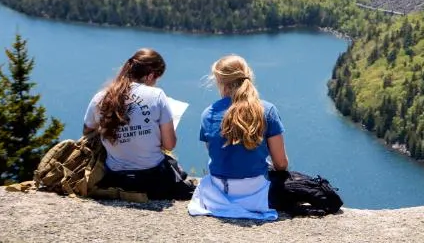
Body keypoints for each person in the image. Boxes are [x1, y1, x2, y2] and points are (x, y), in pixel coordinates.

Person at [83, 48, 194, 200]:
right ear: (150, 76)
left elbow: (87, 131)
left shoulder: (101, 97)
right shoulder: (157, 95)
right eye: (156, 79)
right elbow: (169, 145)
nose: (155, 84)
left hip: (115, 177)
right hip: (153, 180)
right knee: (175, 169)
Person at [187, 54, 288, 220]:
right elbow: (281, 164)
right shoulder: (267, 110)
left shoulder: (208, 114)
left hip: (218, 194)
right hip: (257, 194)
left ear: (220, 82)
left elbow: (215, 154)